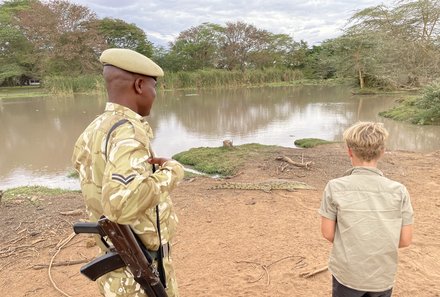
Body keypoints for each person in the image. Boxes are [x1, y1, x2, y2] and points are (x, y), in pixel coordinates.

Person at [72, 48, 184, 297]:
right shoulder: (129, 132)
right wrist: (172, 172)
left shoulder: (95, 128)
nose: (156, 94)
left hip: (117, 269)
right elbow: (121, 205)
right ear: (140, 85)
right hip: (137, 275)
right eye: (155, 87)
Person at [319, 121, 414, 297]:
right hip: (382, 276)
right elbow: (405, 240)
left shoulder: (334, 187)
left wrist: (355, 244)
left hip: (347, 274)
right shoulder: (399, 191)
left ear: (349, 151)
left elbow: (327, 233)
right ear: (382, 152)